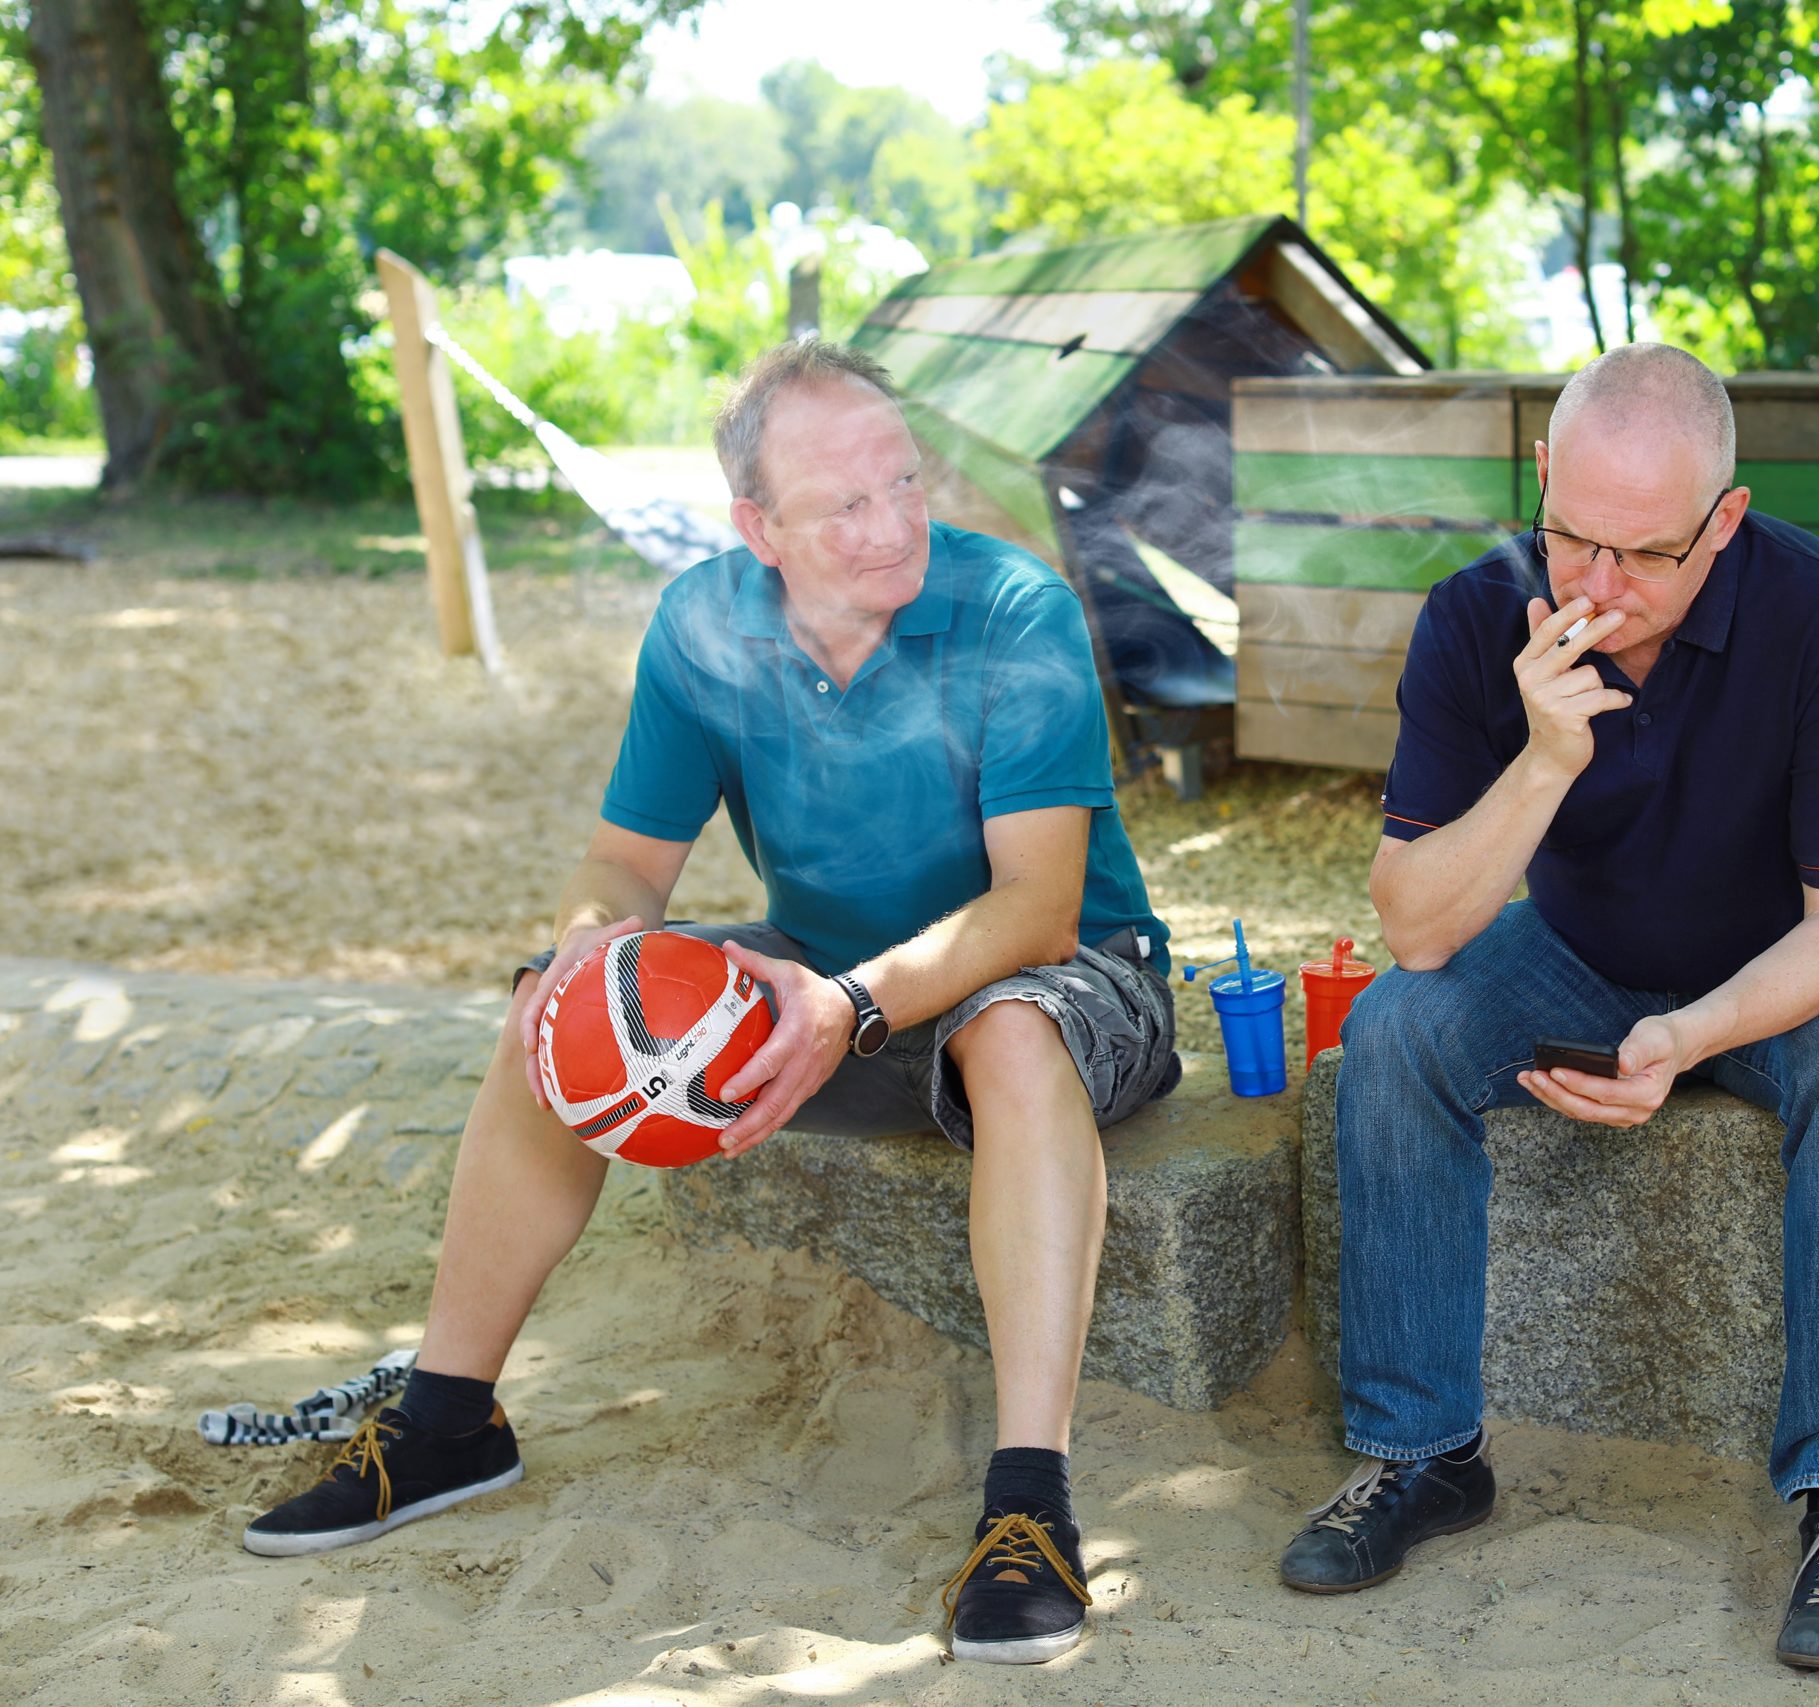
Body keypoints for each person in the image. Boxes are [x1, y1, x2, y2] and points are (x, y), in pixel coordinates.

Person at [242, 339, 1178, 1668]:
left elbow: (1035, 905)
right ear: (759, 528)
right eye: (842, 504)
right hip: (825, 968)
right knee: (557, 1014)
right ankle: (449, 1422)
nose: (892, 523)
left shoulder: (1016, 608)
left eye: (903, 482)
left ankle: (1031, 1507)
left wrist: (846, 1005)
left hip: (1069, 974)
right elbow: (625, 866)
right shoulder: (701, 624)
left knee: (1010, 1028)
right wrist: (584, 948)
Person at [1277, 344, 1819, 1674]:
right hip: (1582, 950)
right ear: (1540, 479)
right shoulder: (1478, 618)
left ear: (1727, 522)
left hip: (1798, 961)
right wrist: (1544, 759)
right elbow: (1414, 926)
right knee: (1396, 1034)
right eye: (1572, 538)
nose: (1598, 588)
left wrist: (1690, 1039)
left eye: (1645, 557)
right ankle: (1423, 1454)